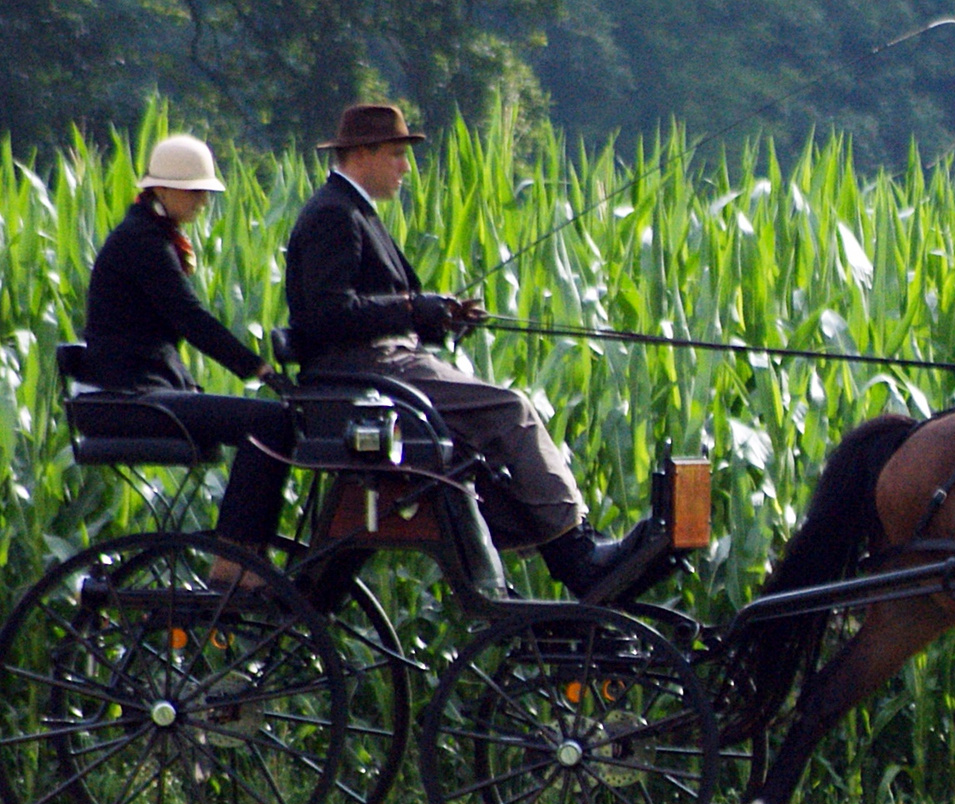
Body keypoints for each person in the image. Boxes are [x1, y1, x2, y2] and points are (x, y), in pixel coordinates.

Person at [283, 103, 636, 599]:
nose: (406, 167)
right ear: (362, 154)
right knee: (509, 409)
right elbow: (327, 314)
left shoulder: (351, 211)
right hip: (366, 372)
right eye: (397, 155)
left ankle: (539, 551)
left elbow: (367, 309)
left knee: (474, 451)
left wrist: (437, 319)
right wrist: (415, 307)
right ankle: (574, 548)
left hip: (384, 365)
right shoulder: (334, 215)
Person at [79, 134, 294, 583]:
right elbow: (190, 319)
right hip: (132, 398)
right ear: (161, 190)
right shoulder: (143, 243)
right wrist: (258, 368)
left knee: (272, 422)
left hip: (144, 391)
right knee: (271, 423)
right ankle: (234, 556)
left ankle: (245, 547)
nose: (201, 202)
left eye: (205, 193)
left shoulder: (150, 237)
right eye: (194, 192)